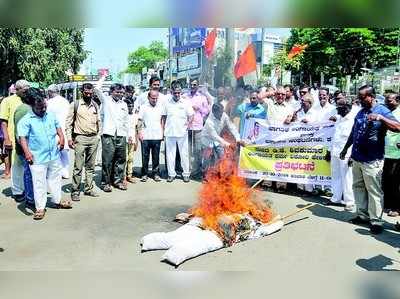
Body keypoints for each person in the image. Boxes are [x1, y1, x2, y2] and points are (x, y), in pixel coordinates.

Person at [340, 85, 400, 234]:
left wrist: (381, 118)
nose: (359, 100)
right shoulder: (360, 112)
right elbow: (354, 132)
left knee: (374, 190)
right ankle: (363, 215)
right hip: (358, 157)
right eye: (359, 97)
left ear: (371, 96)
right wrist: (345, 148)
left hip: (373, 159)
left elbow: (397, 127)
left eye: (362, 97)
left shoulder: (382, 110)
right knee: (358, 187)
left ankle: (376, 221)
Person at [17, 89, 72, 220]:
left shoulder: (50, 114)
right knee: (39, 182)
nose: (43, 109)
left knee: (55, 178)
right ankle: (40, 207)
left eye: (44, 106)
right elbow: (22, 138)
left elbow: (57, 125)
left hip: (53, 154)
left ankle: (57, 201)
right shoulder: (26, 120)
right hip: (37, 157)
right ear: (32, 106)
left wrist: (61, 137)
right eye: (39, 107)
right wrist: (27, 153)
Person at [95, 82, 134, 192]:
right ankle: (105, 183)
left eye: (122, 92)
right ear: (112, 92)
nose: (120, 94)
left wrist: (130, 135)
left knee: (121, 159)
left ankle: (118, 181)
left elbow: (127, 121)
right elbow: (97, 89)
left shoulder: (124, 104)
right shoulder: (106, 100)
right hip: (109, 134)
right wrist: (103, 78)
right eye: (117, 92)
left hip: (121, 134)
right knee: (108, 160)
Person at [66, 83, 101, 201]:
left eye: (90, 93)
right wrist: (69, 138)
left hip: (93, 138)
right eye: (86, 93)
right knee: (78, 166)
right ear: (82, 92)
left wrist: (98, 136)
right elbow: (68, 123)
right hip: (80, 138)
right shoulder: (75, 105)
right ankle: (75, 191)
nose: (88, 95)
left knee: (90, 166)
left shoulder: (95, 105)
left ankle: (88, 188)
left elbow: (99, 122)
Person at [0, 80, 30, 200]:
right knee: (17, 165)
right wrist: (7, 139)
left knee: (28, 165)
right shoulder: (8, 101)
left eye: (27, 90)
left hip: (30, 138)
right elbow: (3, 121)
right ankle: (17, 191)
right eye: (24, 91)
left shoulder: (28, 99)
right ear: (16, 90)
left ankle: (28, 189)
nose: (26, 92)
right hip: (14, 137)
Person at [325, 103, 355, 211]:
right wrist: (329, 151)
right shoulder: (339, 119)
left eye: (339, 108)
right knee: (335, 176)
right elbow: (334, 137)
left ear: (346, 109)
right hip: (335, 152)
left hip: (346, 154)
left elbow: (354, 140)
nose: (337, 110)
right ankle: (336, 198)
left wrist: (352, 155)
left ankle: (349, 202)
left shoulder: (352, 120)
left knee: (347, 178)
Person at [162, 82, 194, 183]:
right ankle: (171, 174)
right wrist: (162, 130)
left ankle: (186, 174)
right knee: (170, 155)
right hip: (170, 132)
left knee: (184, 154)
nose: (177, 95)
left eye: (178, 93)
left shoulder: (185, 102)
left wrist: (189, 124)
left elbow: (191, 115)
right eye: (175, 93)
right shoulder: (167, 103)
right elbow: (163, 117)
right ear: (171, 92)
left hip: (182, 133)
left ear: (180, 92)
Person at [200, 103, 242, 177]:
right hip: (207, 139)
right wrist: (229, 145)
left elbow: (231, 126)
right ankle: (204, 174)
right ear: (214, 112)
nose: (221, 114)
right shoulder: (209, 122)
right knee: (207, 157)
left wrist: (238, 139)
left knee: (222, 156)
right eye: (219, 113)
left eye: (222, 112)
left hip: (217, 140)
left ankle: (220, 174)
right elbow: (215, 136)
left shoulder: (224, 115)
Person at [185, 79, 211, 179]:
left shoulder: (202, 97)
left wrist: (199, 109)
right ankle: (188, 170)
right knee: (187, 150)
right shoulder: (185, 96)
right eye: (191, 84)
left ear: (198, 86)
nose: (192, 86)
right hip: (187, 127)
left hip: (198, 126)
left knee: (197, 149)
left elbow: (207, 111)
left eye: (194, 84)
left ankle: (197, 170)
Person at [137, 90, 165, 182]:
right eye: (153, 98)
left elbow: (162, 120)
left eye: (156, 98)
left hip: (157, 135)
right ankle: (144, 173)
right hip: (146, 135)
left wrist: (163, 133)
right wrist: (139, 132)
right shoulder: (143, 107)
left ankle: (155, 173)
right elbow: (140, 120)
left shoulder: (161, 107)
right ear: (148, 97)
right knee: (145, 156)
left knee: (156, 156)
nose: (155, 100)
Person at [46, 84, 71, 179]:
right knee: (65, 152)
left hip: (54, 130)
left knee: (55, 152)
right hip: (65, 128)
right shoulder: (65, 101)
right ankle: (65, 172)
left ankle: (56, 172)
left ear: (50, 92)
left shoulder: (49, 102)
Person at [382, 93, 400, 217]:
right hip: (385, 152)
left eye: (390, 101)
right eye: (386, 101)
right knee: (386, 180)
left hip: (397, 154)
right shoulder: (386, 112)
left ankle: (397, 208)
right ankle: (388, 205)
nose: (387, 103)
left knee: (395, 182)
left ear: (397, 101)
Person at [124, 85, 138, 184]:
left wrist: (136, 140)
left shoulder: (135, 116)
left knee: (131, 158)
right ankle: (123, 176)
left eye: (132, 106)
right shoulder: (123, 115)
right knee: (124, 158)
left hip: (132, 139)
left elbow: (136, 128)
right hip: (124, 139)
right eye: (129, 106)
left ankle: (130, 174)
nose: (131, 107)